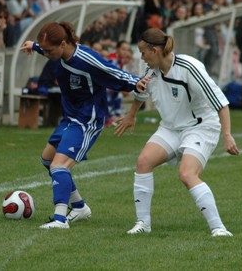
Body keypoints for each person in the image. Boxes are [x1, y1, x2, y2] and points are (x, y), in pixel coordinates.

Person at [19, 21, 147, 230]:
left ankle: (60, 219)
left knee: (58, 166)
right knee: (47, 159)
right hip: (71, 117)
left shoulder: (86, 60)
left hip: (87, 120)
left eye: (48, 50)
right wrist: (33, 46)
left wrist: (136, 82)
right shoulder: (58, 52)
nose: (46, 53)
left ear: (62, 44)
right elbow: (47, 49)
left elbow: (112, 72)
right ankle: (78, 206)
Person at [114, 28, 239, 237]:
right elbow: (141, 92)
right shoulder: (151, 70)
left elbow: (221, 103)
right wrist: (131, 115)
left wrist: (227, 135)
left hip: (200, 127)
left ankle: (219, 228)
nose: (142, 57)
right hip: (170, 127)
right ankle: (143, 224)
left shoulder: (190, 67)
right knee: (143, 161)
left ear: (154, 50)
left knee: (186, 173)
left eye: (143, 53)